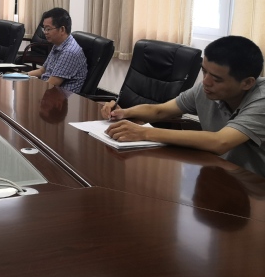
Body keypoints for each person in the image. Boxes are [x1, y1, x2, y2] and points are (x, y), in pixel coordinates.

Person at [101, 35, 265, 177]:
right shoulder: (206, 89)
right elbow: (160, 111)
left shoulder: (261, 99)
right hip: (218, 171)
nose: (206, 82)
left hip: (254, 186)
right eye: (204, 71)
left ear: (247, 83)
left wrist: (144, 132)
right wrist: (124, 113)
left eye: (217, 79)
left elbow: (220, 142)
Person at [27, 8, 87, 93]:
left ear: (62, 29)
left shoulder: (69, 52)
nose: (45, 32)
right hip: (49, 91)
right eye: (44, 28)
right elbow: (42, 70)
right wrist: (21, 76)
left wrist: (29, 89)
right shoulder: (58, 44)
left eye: (48, 29)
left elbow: (51, 84)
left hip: (60, 98)